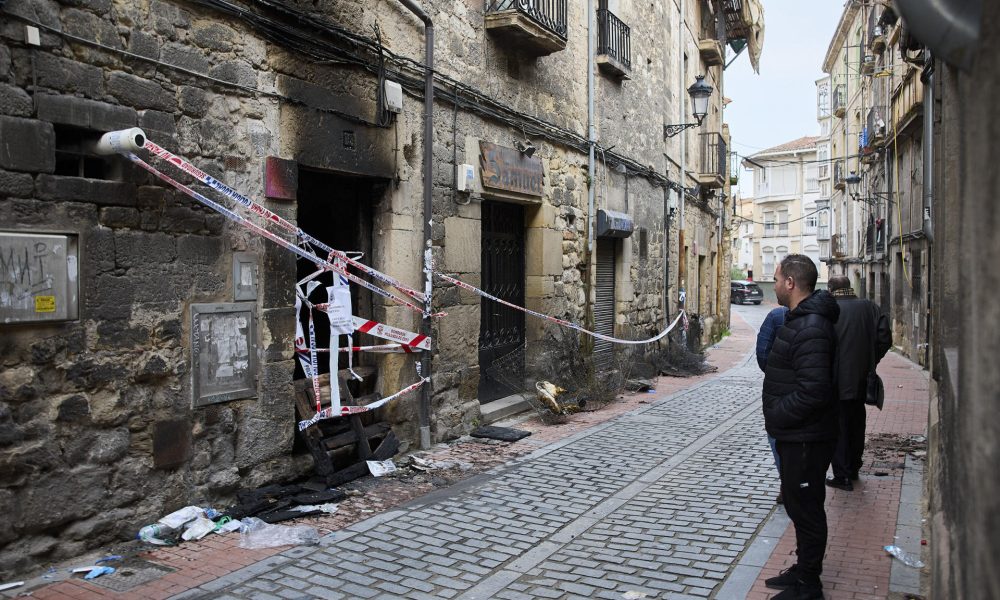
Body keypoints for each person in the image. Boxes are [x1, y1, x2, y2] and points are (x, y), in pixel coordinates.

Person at [762, 255, 840, 600]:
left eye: (777, 279)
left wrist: (778, 415)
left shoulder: (810, 327)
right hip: (797, 435)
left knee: (806, 509)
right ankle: (802, 569)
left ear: (791, 283)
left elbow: (814, 389)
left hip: (805, 437)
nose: (775, 284)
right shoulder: (801, 320)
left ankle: (810, 585)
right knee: (798, 504)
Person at [825, 275, 892, 491]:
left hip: (836, 381)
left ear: (831, 288)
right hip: (862, 378)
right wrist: (871, 361)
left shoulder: (829, 309)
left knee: (839, 427)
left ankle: (842, 475)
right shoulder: (869, 307)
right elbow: (885, 338)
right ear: (849, 287)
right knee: (857, 423)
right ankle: (854, 467)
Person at [756, 304, 789, 503]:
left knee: (777, 437)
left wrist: (775, 373)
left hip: (780, 391)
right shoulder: (824, 314)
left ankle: (787, 482)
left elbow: (762, 351)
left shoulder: (777, 316)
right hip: (814, 389)